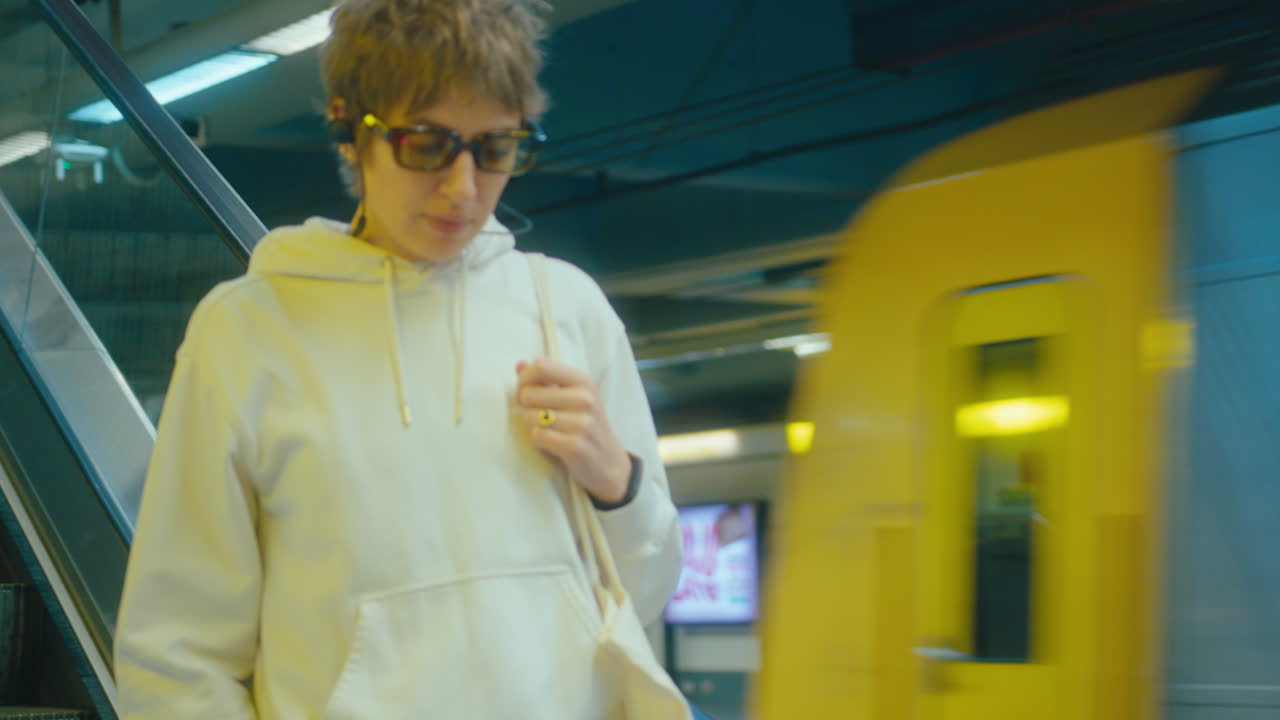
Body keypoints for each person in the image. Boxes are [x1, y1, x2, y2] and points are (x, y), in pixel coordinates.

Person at [112, 0, 686, 717]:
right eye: (426, 145)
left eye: (496, 148)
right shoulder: (247, 332)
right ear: (350, 130)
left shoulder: (565, 311)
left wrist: (617, 486)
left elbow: (651, 591)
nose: (463, 189)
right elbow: (176, 651)